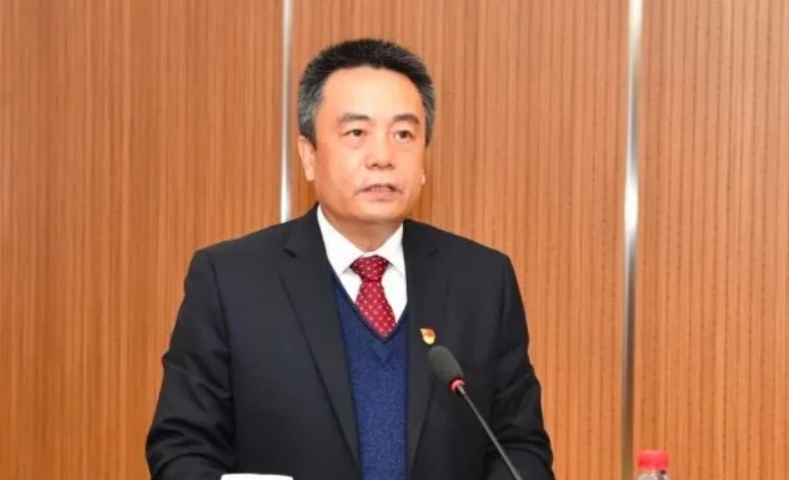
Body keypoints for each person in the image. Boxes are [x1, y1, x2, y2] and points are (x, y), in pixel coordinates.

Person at [146, 38, 554, 480]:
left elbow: (520, 447)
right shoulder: (231, 281)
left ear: (424, 161)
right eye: (357, 133)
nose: (382, 157)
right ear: (308, 156)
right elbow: (181, 450)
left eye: (403, 134)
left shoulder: (483, 280)